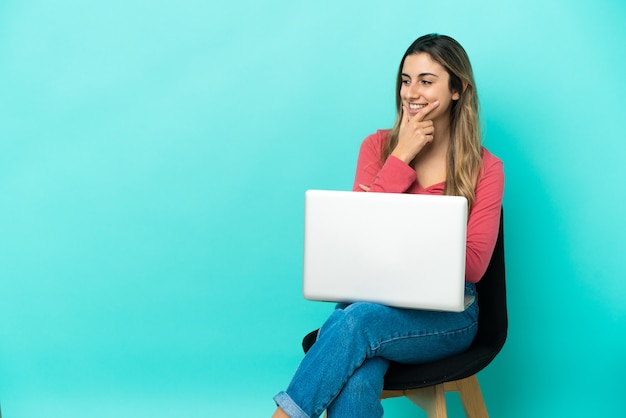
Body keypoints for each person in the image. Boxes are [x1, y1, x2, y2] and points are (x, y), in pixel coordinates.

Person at [272, 34, 504, 418]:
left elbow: (475, 264)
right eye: (405, 79)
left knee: (358, 322)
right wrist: (400, 158)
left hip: (448, 315)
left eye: (426, 81)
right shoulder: (377, 147)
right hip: (369, 302)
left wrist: (395, 234)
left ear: (457, 90)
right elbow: (354, 241)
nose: (411, 92)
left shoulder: (486, 168)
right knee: (358, 373)